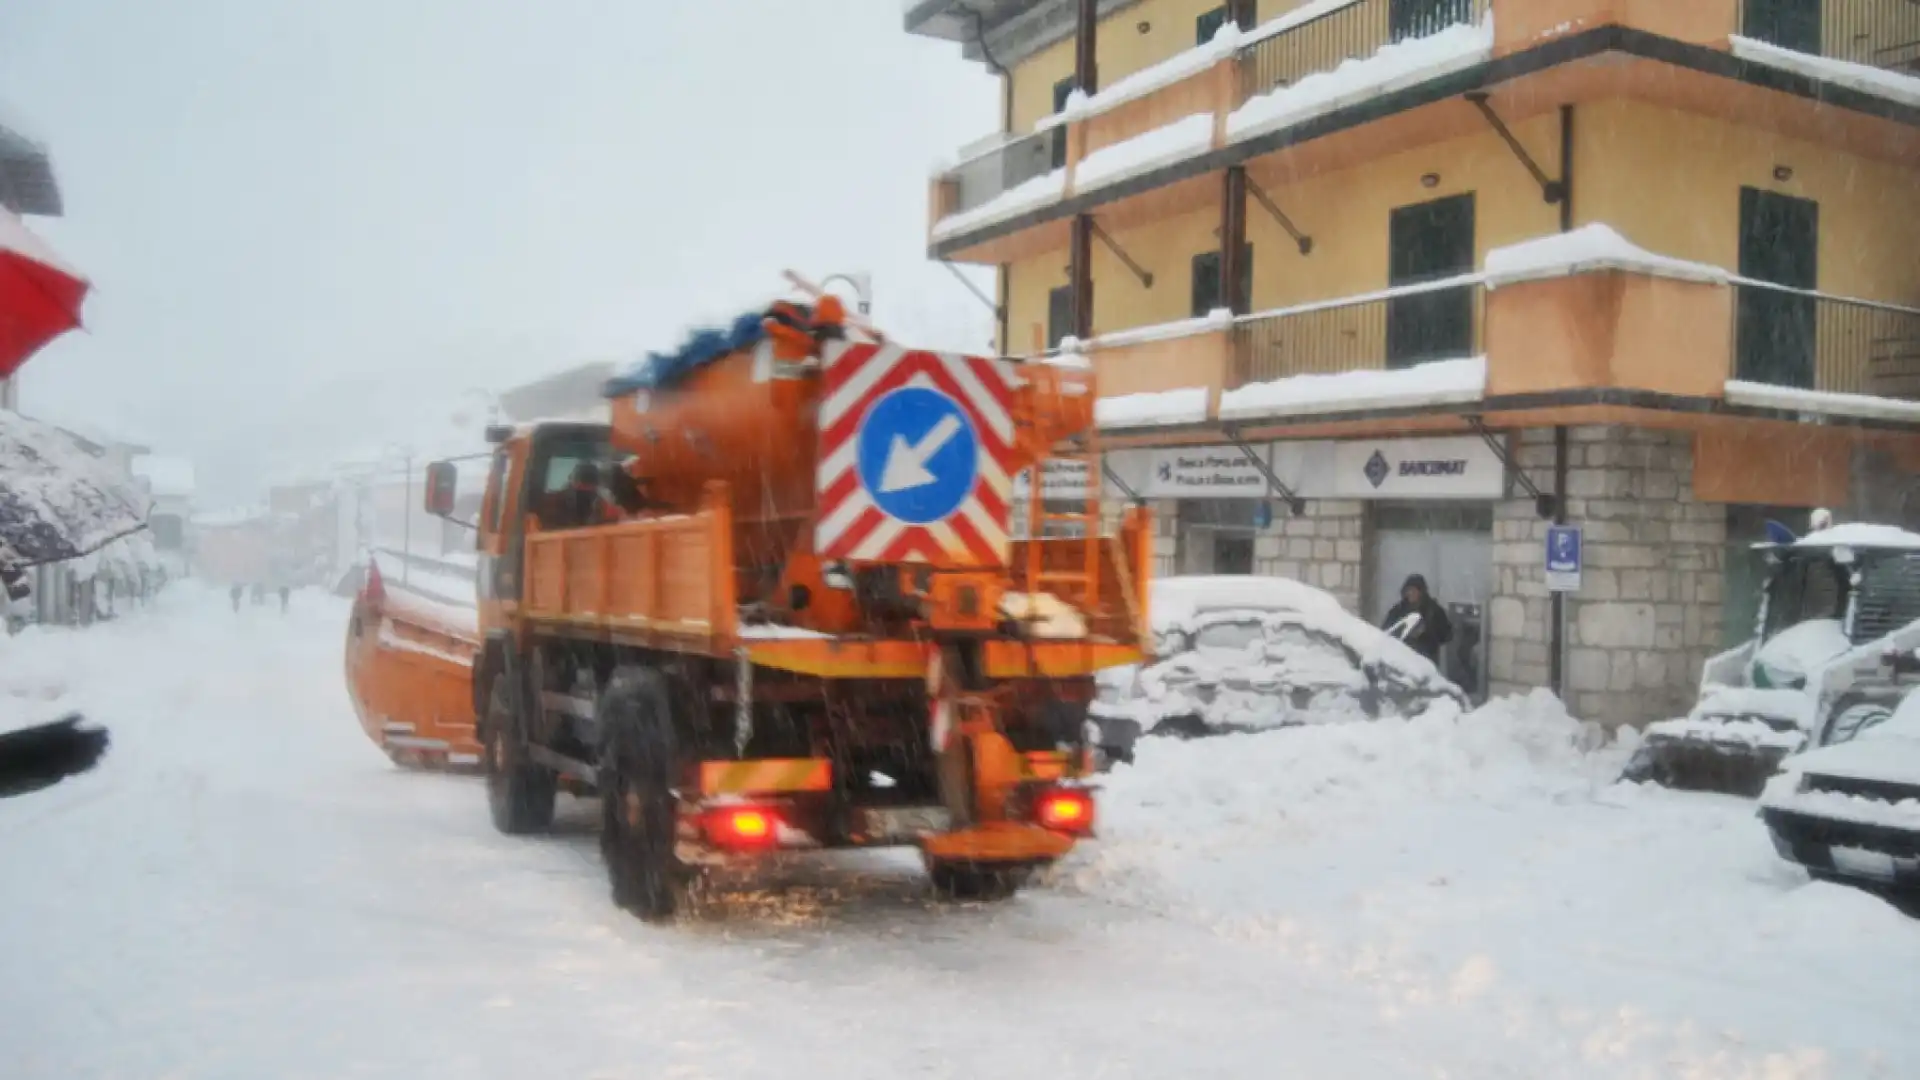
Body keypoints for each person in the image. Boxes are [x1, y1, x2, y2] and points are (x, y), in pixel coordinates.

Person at [1383, 573, 1452, 666]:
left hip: (1426, 661)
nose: (1410, 593)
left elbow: (1446, 635)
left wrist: (1427, 631)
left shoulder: (1434, 610)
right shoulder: (1398, 610)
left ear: (1421, 591)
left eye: (1413, 590)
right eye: (1408, 590)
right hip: (1402, 660)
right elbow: (1386, 631)